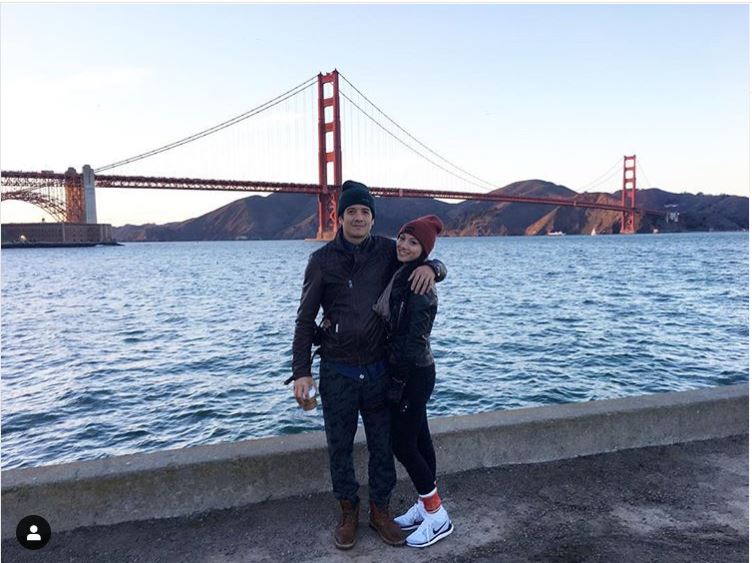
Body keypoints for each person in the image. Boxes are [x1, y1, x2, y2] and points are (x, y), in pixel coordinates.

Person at [290, 180, 447, 550]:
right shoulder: (321, 261)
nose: (358, 217)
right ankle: (348, 513)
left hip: (379, 368)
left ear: (373, 219)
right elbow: (304, 319)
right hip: (337, 369)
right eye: (352, 211)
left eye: (365, 212)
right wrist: (301, 371)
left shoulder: (388, 251)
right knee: (339, 445)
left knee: (382, 445)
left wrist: (436, 268)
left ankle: (380, 511)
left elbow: (420, 254)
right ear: (340, 216)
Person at [373, 215, 453, 548]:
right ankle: (424, 506)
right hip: (412, 370)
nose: (404, 246)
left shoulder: (420, 283)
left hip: (412, 372)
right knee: (420, 440)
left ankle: (437, 516)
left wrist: (397, 382)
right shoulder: (405, 270)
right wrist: (435, 265)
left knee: (402, 444)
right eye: (402, 238)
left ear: (423, 251)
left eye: (413, 242)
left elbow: (414, 339)